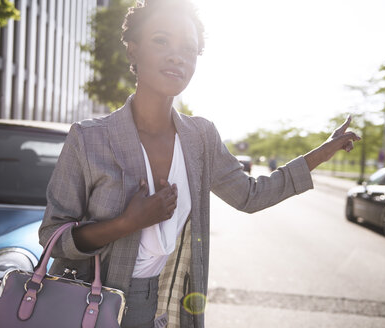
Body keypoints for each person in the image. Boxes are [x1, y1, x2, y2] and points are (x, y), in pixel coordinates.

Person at [38, 0, 361, 327]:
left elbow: (250, 195)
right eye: (161, 40)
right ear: (133, 51)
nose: (176, 55)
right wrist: (125, 224)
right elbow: (55, 237)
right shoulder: (89, 138)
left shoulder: (200, 137)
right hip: (90, 303)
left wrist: (321, 153)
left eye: (188, 48)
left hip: (164, 301)